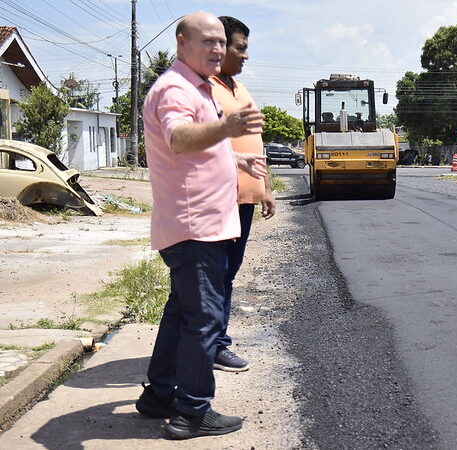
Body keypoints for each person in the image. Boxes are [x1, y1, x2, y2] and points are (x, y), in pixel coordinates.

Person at [134, 11, 266, 440]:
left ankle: (158, 397)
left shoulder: (196, 85)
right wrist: (227, 127)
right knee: (205, 319)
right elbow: (178, 138)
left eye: (220, 42)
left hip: (200, 224)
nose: (217, 49)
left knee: (183, 313)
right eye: (207, 41)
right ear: (181, 43)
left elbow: (197, 150)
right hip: (196, 227)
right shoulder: (175, 88)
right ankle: (192, 412)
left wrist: (235, 158)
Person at [210, 15, 275, 373]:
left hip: (245, 199)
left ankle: (216, 340)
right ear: (219, 47)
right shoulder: (207, 88)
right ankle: (214, 344)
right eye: (241, 48)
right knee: (215, 273)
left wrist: (265, 188)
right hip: (221, 199)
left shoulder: (238, 88)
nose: (246, 56)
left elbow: (255, 142)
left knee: (228, 272)